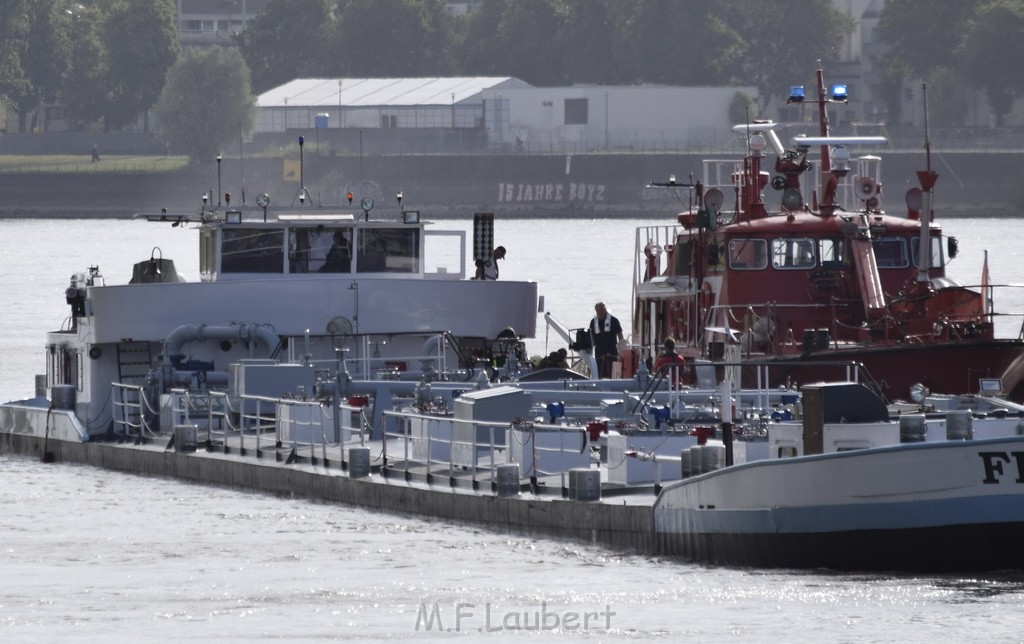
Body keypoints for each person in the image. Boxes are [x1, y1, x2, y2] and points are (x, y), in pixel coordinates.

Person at [589, 302, 623, 378]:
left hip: (612, 352)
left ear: (605, 310)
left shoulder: (614, 320)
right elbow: (591, 337)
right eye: (598, 311)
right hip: (599, 353)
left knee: (611, 373)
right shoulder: (593, 322)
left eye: (602, 310)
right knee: (599, 373)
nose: (600, 313)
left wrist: (621, 350)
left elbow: (620, 336)